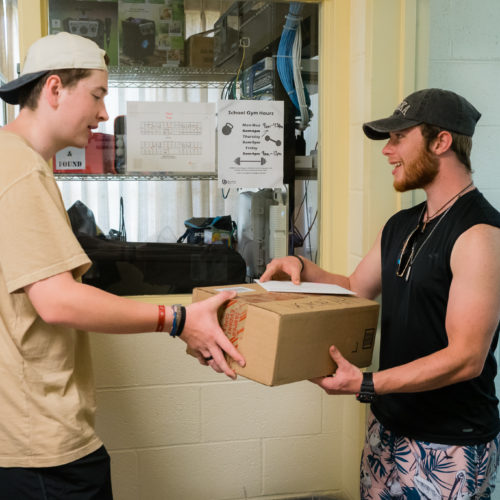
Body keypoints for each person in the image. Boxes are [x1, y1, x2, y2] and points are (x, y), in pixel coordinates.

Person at [0, 32, 244, 499]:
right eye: (96, 95)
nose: (103, 113)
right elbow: (56, 301)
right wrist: (176, 319)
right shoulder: (22, 172)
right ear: (54, 89)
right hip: (42, 446)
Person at [260, 88, 500, 498]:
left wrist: (367, 383)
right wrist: (301, 267)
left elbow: (466, 358)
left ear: (441, 141)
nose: (387, 151)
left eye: (398, 138)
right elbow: (355, 288)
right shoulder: (402, 224)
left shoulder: (479, 234)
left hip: (449, 443)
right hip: (387, 430)